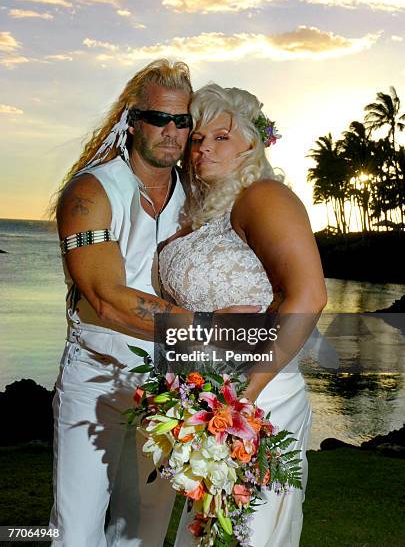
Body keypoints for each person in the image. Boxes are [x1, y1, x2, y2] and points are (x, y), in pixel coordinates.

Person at [50, 61, 257, 547]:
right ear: (131, 119)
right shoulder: (90, 192)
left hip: (168, 385)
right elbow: (108, 299)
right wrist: (208, 328)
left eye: (182, 120)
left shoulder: (198, 196)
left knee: (142, 527)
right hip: (97, 377)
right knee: (76, 530)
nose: (171, 131)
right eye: (157, 118)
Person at [158, 84, 328, 546]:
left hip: (259, 397)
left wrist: (241, 400)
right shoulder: (201, 216)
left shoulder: (264, 197)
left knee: (247, 533)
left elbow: (309, 295)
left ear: (252, 144)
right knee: (209, 531)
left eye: (221, 137)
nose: (203, 149)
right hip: (208, 396)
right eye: (197, 139)